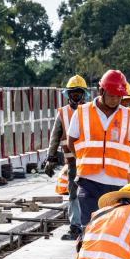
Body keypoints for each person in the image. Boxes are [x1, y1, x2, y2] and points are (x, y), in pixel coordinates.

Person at [66, 69, 130, 230]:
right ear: (101, 91)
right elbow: (71, 141)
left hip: (117, 183)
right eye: (112, 95)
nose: (115, 100)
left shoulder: (127, 115)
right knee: (90, 228)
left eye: (119, 97)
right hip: (88, 180)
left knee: (112, 229)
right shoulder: (82, 112)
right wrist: (85, 158)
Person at [45, 74, 89, 240]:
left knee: (88, 193)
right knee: (73, 193)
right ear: (67, 95)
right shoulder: (62, 114)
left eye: (78, 93)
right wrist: (50, 158)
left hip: (89, 161)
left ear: (83, 94)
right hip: (72, 162)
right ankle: (75, 226)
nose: (75, 97)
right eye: (72, 93)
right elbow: (55, 137)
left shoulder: (90, 111)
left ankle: (89, 225)